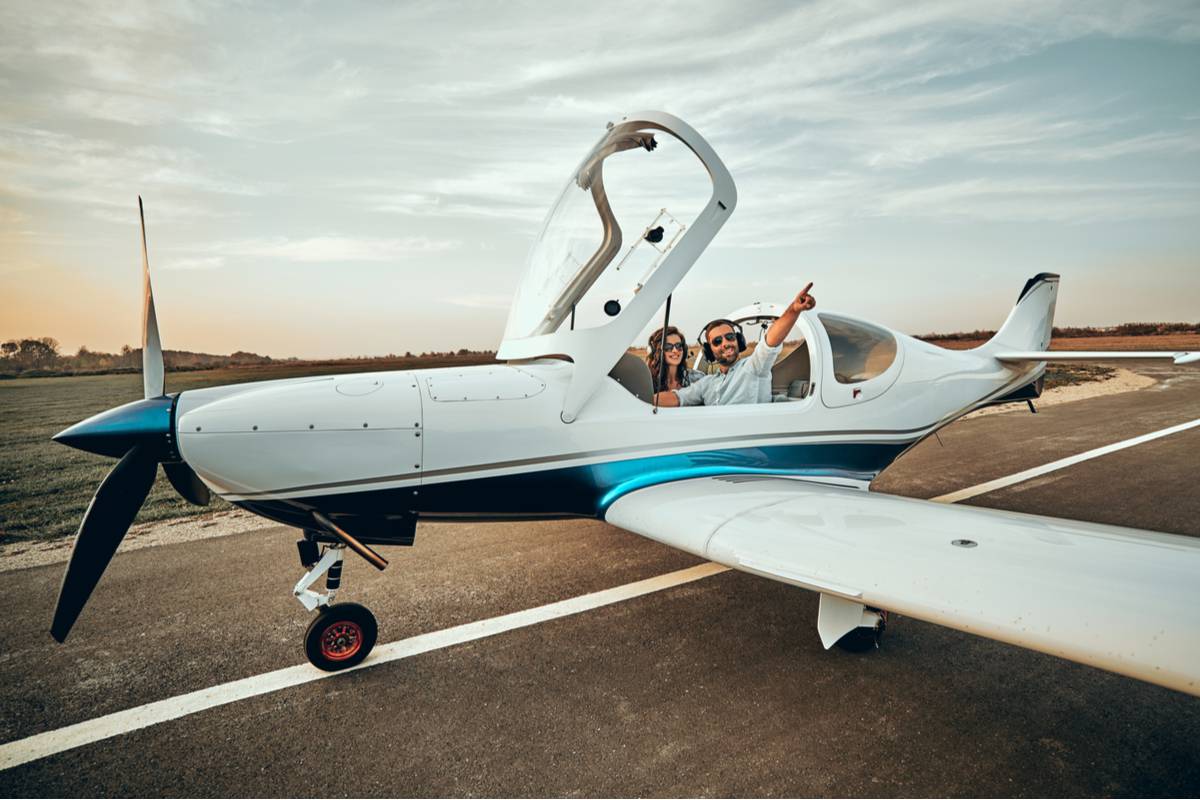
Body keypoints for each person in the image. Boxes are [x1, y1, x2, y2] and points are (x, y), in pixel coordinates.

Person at [654, 282, 816, 407]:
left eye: (730, 337)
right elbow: (678, 398)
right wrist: (639, 400)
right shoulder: (706, 383)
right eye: (717, 341)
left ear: (738, 340)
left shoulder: (753, 368)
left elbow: (769, 343)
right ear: (709, 350)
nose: (725, 343)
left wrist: (794, 310)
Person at [646, 325, 704, 394]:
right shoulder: (647, 382)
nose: (675, 350)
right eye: (668, 347)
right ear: (655, 352)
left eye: (678, 346)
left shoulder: (698, 378)